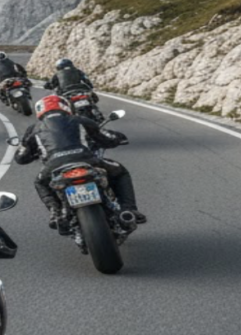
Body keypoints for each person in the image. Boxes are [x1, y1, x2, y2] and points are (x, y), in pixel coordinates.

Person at [13, 96, 146, 235]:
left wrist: (33, 153)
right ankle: (129, 209)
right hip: (86, 160)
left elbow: (21, 158)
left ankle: (56, 212)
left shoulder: (33, 129)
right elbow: (106, 138)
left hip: (54, 166)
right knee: (120, 171)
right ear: (65, 107)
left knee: (40, 182)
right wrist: (118, 138)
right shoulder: (80, 120)